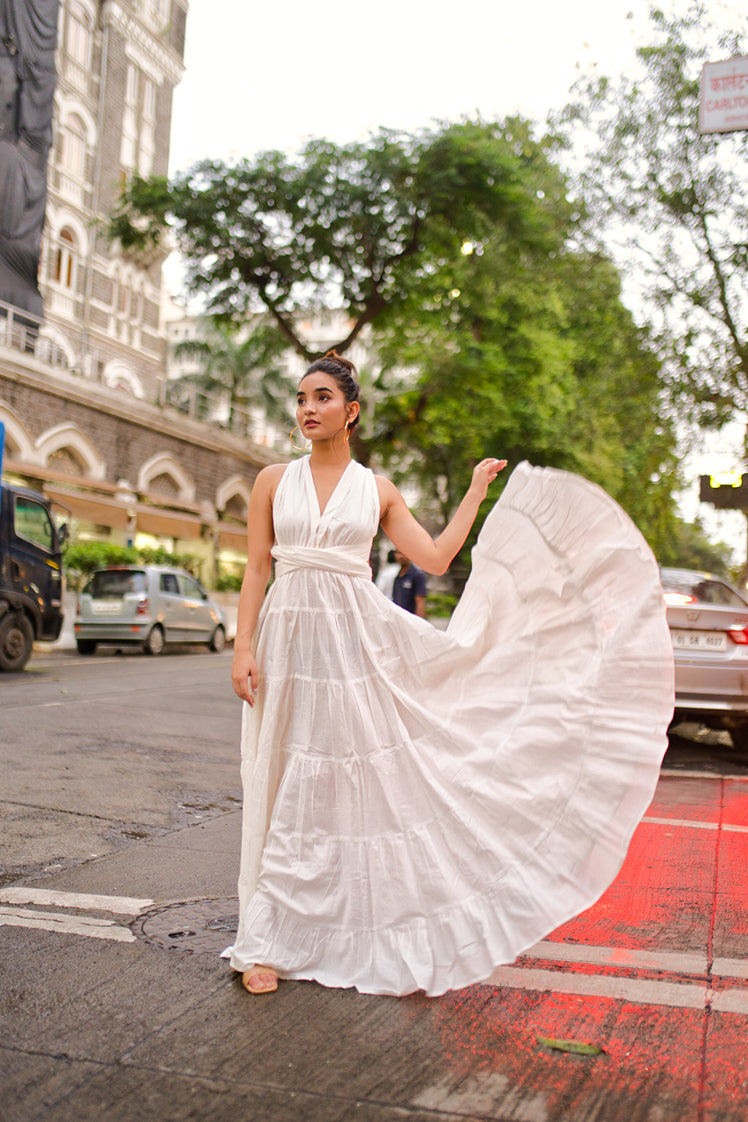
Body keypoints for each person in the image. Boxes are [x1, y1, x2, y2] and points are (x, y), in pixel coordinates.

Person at [225, 350, 674, 997]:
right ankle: (264, 938)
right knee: (279, 775)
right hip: (286, 642)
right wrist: (244, 647)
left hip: (353, 648)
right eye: (301, 398)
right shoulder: (272, 480)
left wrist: (472, 495)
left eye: (322, 398)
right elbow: (256, 571)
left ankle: (322, 929)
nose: (307, 409)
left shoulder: (376, 490)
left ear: (350, 413)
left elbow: (434, 557)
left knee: (337, 784)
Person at [391, 549, 427, 617]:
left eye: (404, 553)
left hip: (410, 620)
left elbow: (420, 603)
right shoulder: (397, 576)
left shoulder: (417, 575)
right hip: (398, 619)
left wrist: (418, 623)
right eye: (398, 553)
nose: (401, 556)